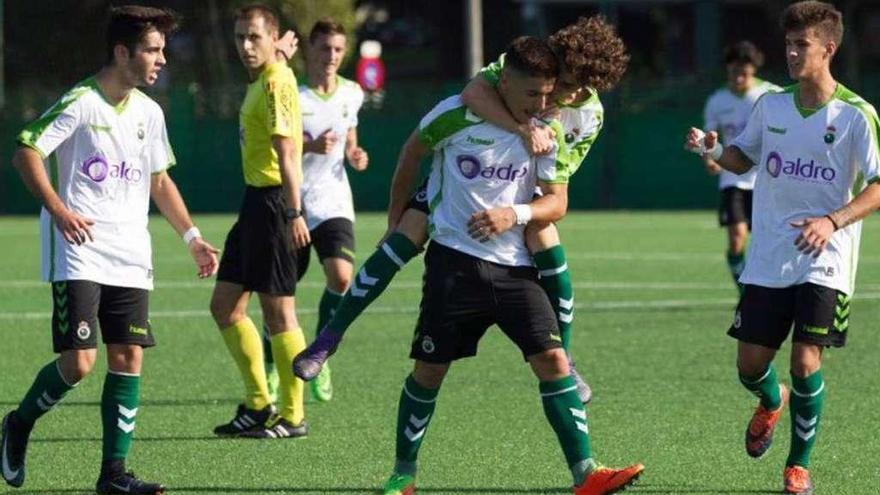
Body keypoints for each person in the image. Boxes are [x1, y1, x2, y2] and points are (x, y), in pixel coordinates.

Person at [294, 16, 630, 408]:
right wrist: (523, 129)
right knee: (405, 234)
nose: (565, 96)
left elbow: (557, 184)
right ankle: (328, 340)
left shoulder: (590, 116)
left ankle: (567, 360)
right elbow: (473, 93)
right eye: (564, 83)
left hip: (521, 189)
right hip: (461, 178)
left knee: (543, 232)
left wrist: (520, 208)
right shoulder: (522, 66)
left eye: (578, 89)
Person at [374, 36, 643, 495]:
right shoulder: (469, 109)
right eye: (545, 92)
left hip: (516, 269)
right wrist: (397, 218)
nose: (556, 99)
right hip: (455, 265)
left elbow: (555, 201)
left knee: (553, 360)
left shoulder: (559, 129)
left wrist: (515, 213)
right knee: (429, 370)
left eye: (557, 92)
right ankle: (403, 473)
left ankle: (586, 474)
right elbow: (423, 141)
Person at [0, 6, 219, 494]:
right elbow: (26, 151)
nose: (162, 59)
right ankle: (18, 423)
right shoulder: (81, 101)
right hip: (78, 247)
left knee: (128, 358)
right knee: (79, 362)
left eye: (163, 49)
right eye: (152, 50)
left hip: (130, 252)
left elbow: (160, 180)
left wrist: (191, 238)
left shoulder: (150, 112)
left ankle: (114, 476)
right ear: (123, 52)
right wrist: (58, 210)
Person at [685, 2, 880, 493]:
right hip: (770, 256)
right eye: (789, 44)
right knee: (750, 366)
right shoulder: (770, 104)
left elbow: (878, 185)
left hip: (826, 260)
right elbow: (740, 158)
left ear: (828, 49)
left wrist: (833, 220)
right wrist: (711, 150)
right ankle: (772, 401)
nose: (791, 53)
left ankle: (797, 466)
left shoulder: (857, 115)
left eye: (802, 45)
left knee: (805, 360)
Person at [209, 4, 309, 440]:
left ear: (272, 38)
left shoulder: (275, 82)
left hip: (273, 205)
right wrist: (281, 53)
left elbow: (287, 152)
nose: (246, 46)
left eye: (255, 37)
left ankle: (292, 415)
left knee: (279, 312)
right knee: (225, 307)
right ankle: (257, 404)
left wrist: (293, 211)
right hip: (254, 203)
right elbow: (278, 66)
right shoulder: (270, 74)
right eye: (240, 38)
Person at [271, 18, 367, 404]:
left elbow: (350, 141)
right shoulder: (292, 92)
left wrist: (354, 154)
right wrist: (309, 147)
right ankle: (273, 367)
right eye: (325, 48)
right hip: (291, 202)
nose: (331, 56)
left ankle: (321, 351)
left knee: (342, 277)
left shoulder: (353, 93)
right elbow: (279, 149)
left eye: (338, 50)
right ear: (311, 51)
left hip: (332, 200)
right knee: (278, 296)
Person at [701, 41, 779, 293]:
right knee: (737, 237)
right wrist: (709, 157)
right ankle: (746, 292)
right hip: (733, 177)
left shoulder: (772, 96)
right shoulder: (717, 101)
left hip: (767, 178)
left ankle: (770, 289)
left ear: (753, 70)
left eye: (744, 72)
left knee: (768, 241)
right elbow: (709, 137)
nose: (739, 77)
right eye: (734, 72)